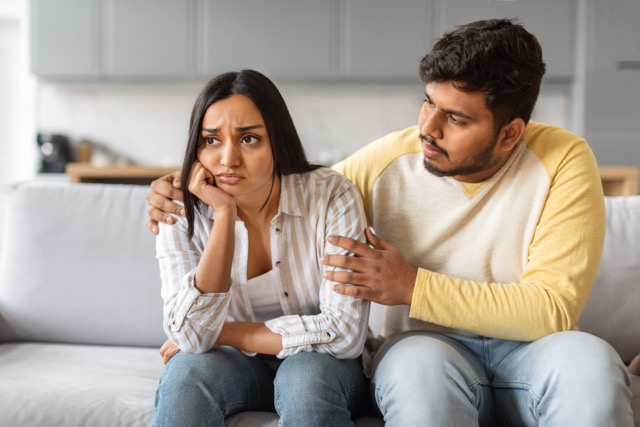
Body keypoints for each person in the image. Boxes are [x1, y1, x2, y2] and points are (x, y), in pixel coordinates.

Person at [146, 20, 634, 426]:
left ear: (509, 134)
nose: (428, 128)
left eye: (456, 119)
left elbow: (551, 309)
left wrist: (411, 286)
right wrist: (177, 188)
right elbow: (288, 192)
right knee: (416, 371)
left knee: (590, 362)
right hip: (426, 348)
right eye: (427, 102)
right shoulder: (389, 160)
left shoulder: (563, 160)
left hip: (537, 350)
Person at [150, 69, 370, 427]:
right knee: (186, 375)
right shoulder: (178, 206)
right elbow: (190, 337)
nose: (228, 159)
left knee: (305, 380)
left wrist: (222, 332)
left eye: (249, 139)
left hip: (321, 364)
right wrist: (224, 214)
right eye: (211, 141)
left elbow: (343, 334)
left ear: (277, 142)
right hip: (233, 364)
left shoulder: (331, 195)